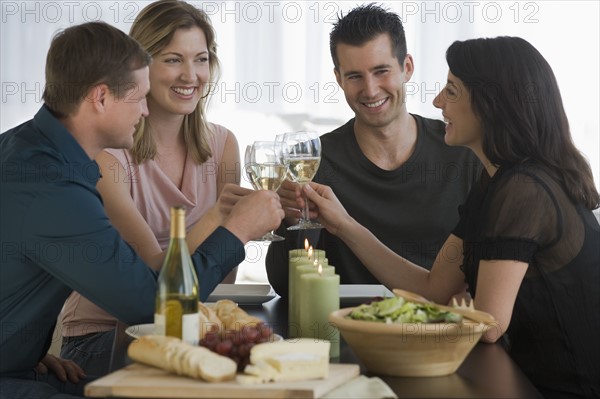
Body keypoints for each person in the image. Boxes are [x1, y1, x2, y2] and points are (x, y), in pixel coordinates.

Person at [304, 36, 600, 398]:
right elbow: (435, 288)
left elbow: (488, 325)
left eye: (452, 92)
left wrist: (384, 326)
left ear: (492, 104)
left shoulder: (524, 189)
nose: (437, 101)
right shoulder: (494, 181)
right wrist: (342, 225)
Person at [0, 21, 283, 399]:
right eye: (138, 98)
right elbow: (151, 306)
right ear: (100, 98)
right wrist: (238, 230)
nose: (146, 111)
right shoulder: (53, 184)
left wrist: (21, 355)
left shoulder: (31, 150)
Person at [59, 0, 240, 376]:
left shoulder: (224, 145)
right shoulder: (108, 159)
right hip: (102, 336)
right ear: (139, 68)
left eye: (201, 59)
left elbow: (222, 269)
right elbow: (151, 284)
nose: (191, 75)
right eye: (173, 59)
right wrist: (226, 217)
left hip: (186, 329)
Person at [265, 3, 480, 297]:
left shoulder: (464, 152)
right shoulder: (311, 161)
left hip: (443, 333)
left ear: (407, 68)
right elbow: (285, 286)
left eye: (381, 71)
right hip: (344, 333)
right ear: (339, 79)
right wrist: (291, 221)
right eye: (354, 76)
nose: (370, 89)